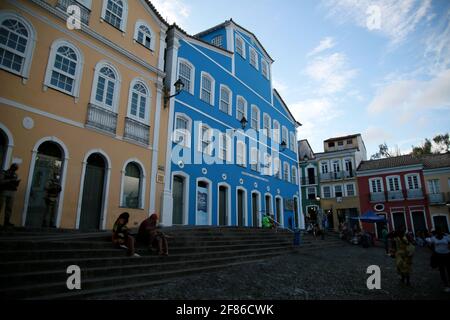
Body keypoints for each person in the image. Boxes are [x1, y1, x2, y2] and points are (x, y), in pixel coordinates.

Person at [426, 227, 450, 292]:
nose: (440, 232)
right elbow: (429, 243)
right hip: (438, 256)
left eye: (441, 231)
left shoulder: (447, 237)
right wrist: (433, 251)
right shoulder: (433, 238)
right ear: (436, 232)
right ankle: (446, 285)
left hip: (447, 255)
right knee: (442, 270)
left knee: (448, 269)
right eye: (438, 231)